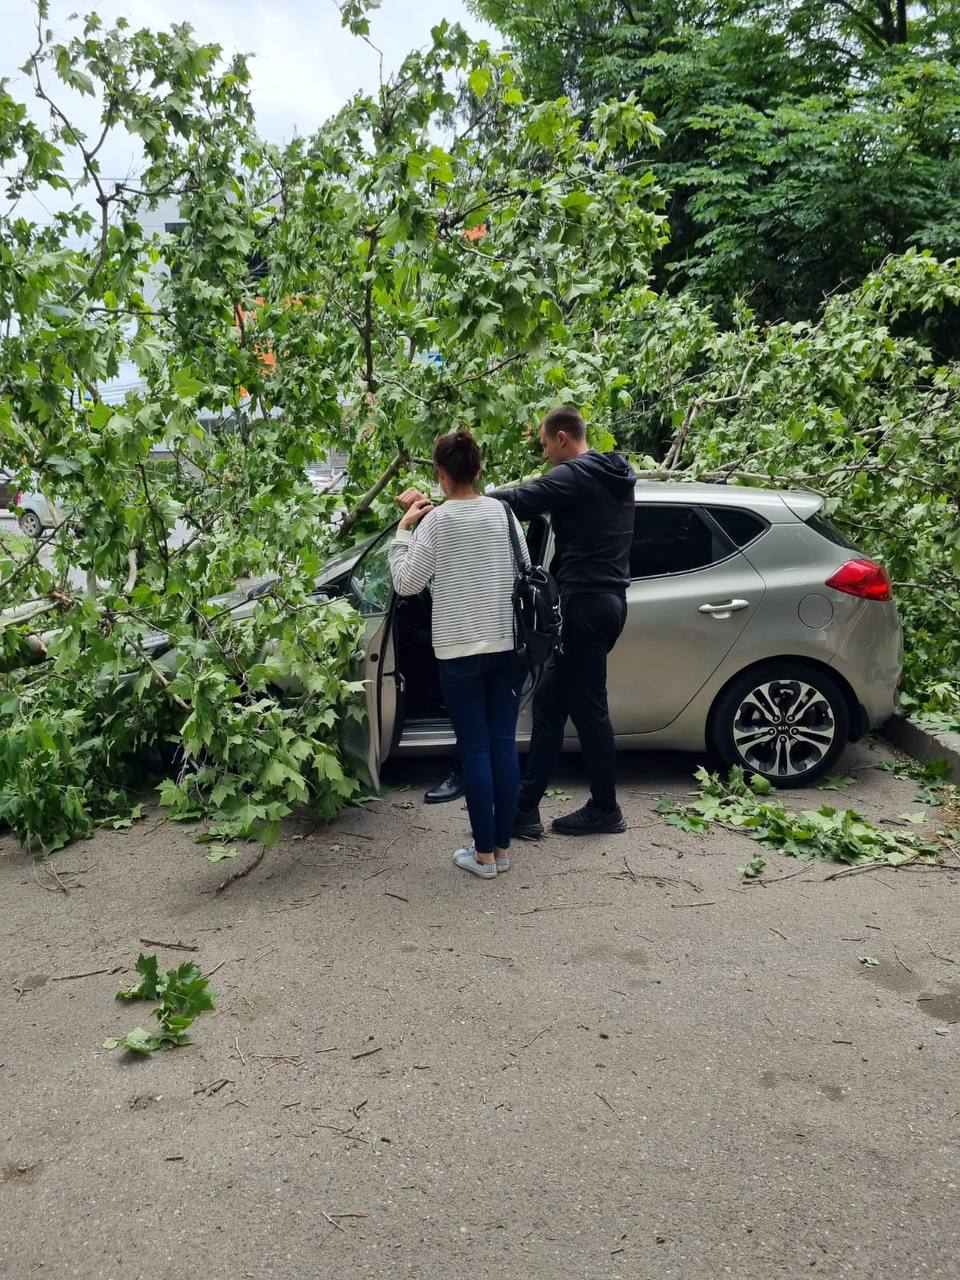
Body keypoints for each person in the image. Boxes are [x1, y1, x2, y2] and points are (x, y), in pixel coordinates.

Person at [389, 429, 529, 879]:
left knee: (475, 749)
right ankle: (502, 850)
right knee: (504, 745)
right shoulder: (505, 515)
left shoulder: (435, 523)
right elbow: (525, 572)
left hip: (457, 652)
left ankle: (483, 855)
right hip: (507, 646)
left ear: (440, 475)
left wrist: (402, 530)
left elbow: (407, 583)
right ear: (480, 470)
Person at [495, 406, 636, 836]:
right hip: (610, 602)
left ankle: (605, 809)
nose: (544, 457)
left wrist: (462, 502)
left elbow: (519, 501)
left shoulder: (574, 475)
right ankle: (523, 810)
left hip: (585, 605)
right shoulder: (615, 473)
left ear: (561, 437)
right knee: (552, 704)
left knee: (590, 708)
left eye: (544, 446)